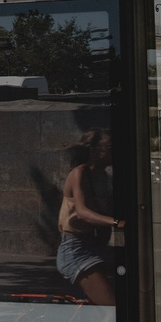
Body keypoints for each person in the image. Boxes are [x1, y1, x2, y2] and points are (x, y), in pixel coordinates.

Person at [55, 114, 123, 307]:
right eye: (109, 148)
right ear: (95, 151)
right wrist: (115, 222)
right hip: (76, 250)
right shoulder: (80, 173)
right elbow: (83, 212)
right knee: (112, 308)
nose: (113, 152)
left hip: (95, 245)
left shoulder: (102, 176)